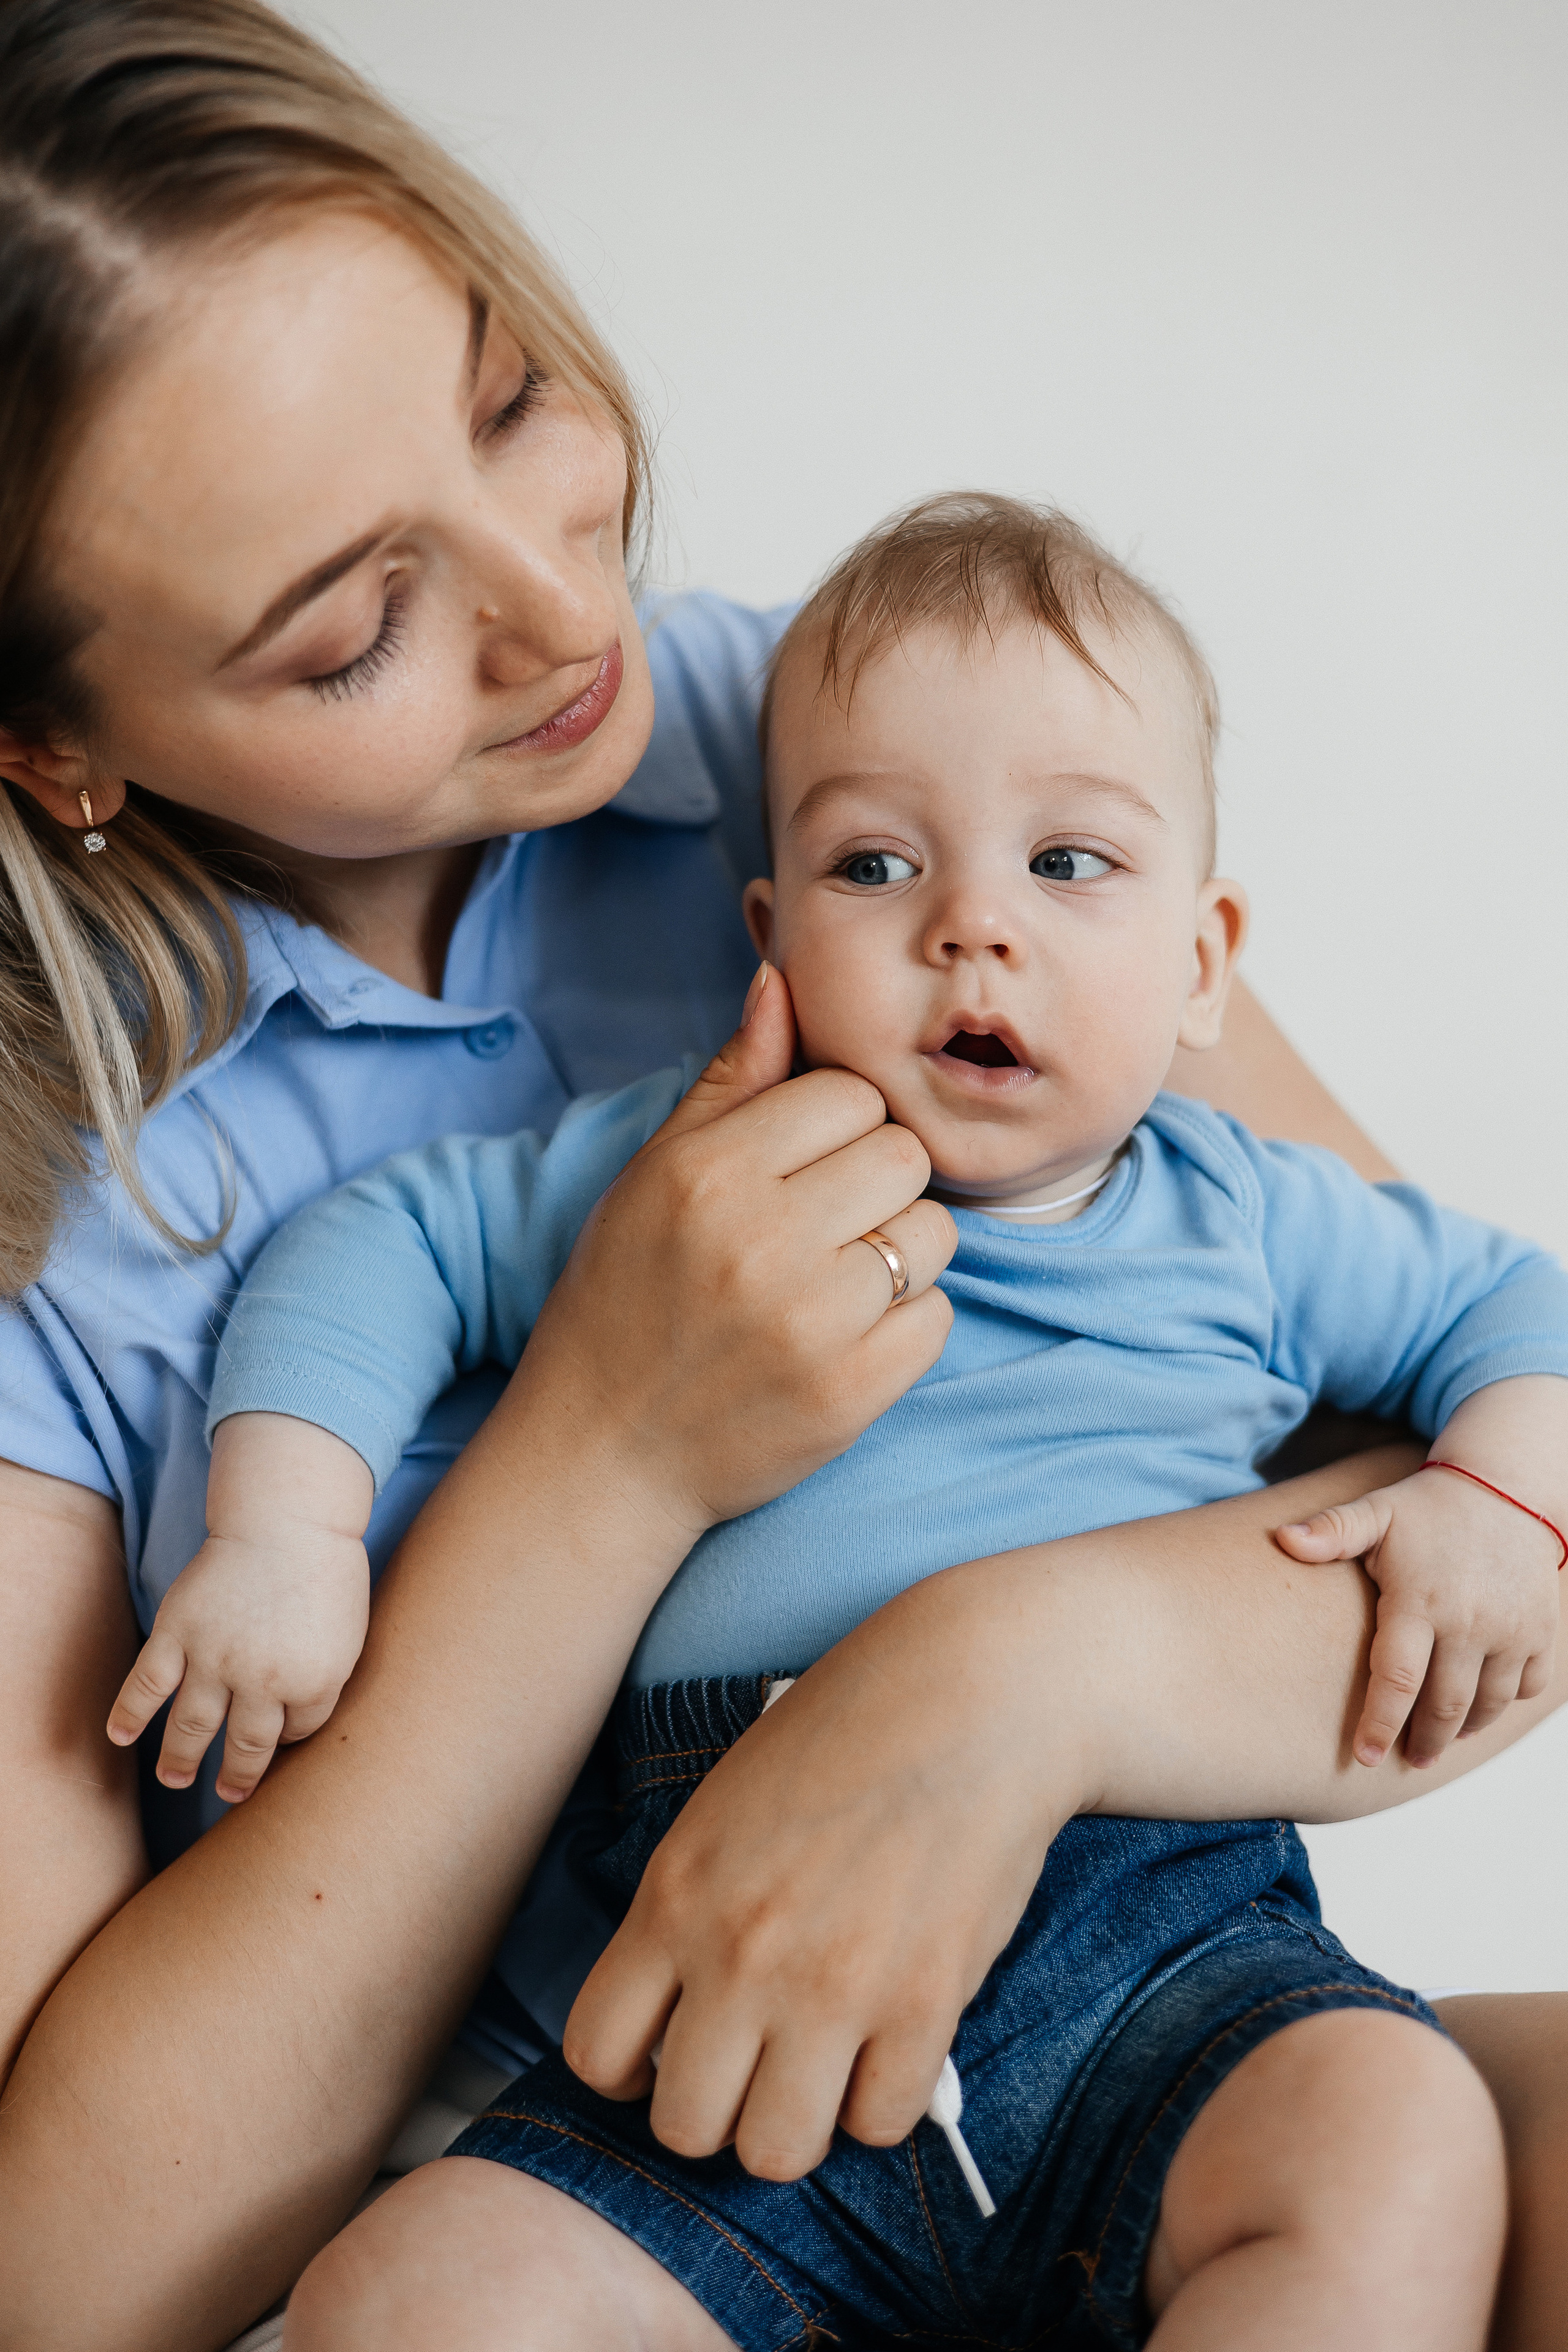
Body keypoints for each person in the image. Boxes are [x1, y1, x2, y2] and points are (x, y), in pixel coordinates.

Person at [1, 7, 1566, 2348]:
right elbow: (56, 2268)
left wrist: (1006, 1677)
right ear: (55, 749)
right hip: (594, 2132)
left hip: (1137, 1973)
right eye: (358, 630)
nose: (560, 610)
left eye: (522, 399)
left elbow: (1440, 1454)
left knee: (1390, 2168)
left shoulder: (853, 751)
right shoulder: (65, 1207)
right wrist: (610, 1454)